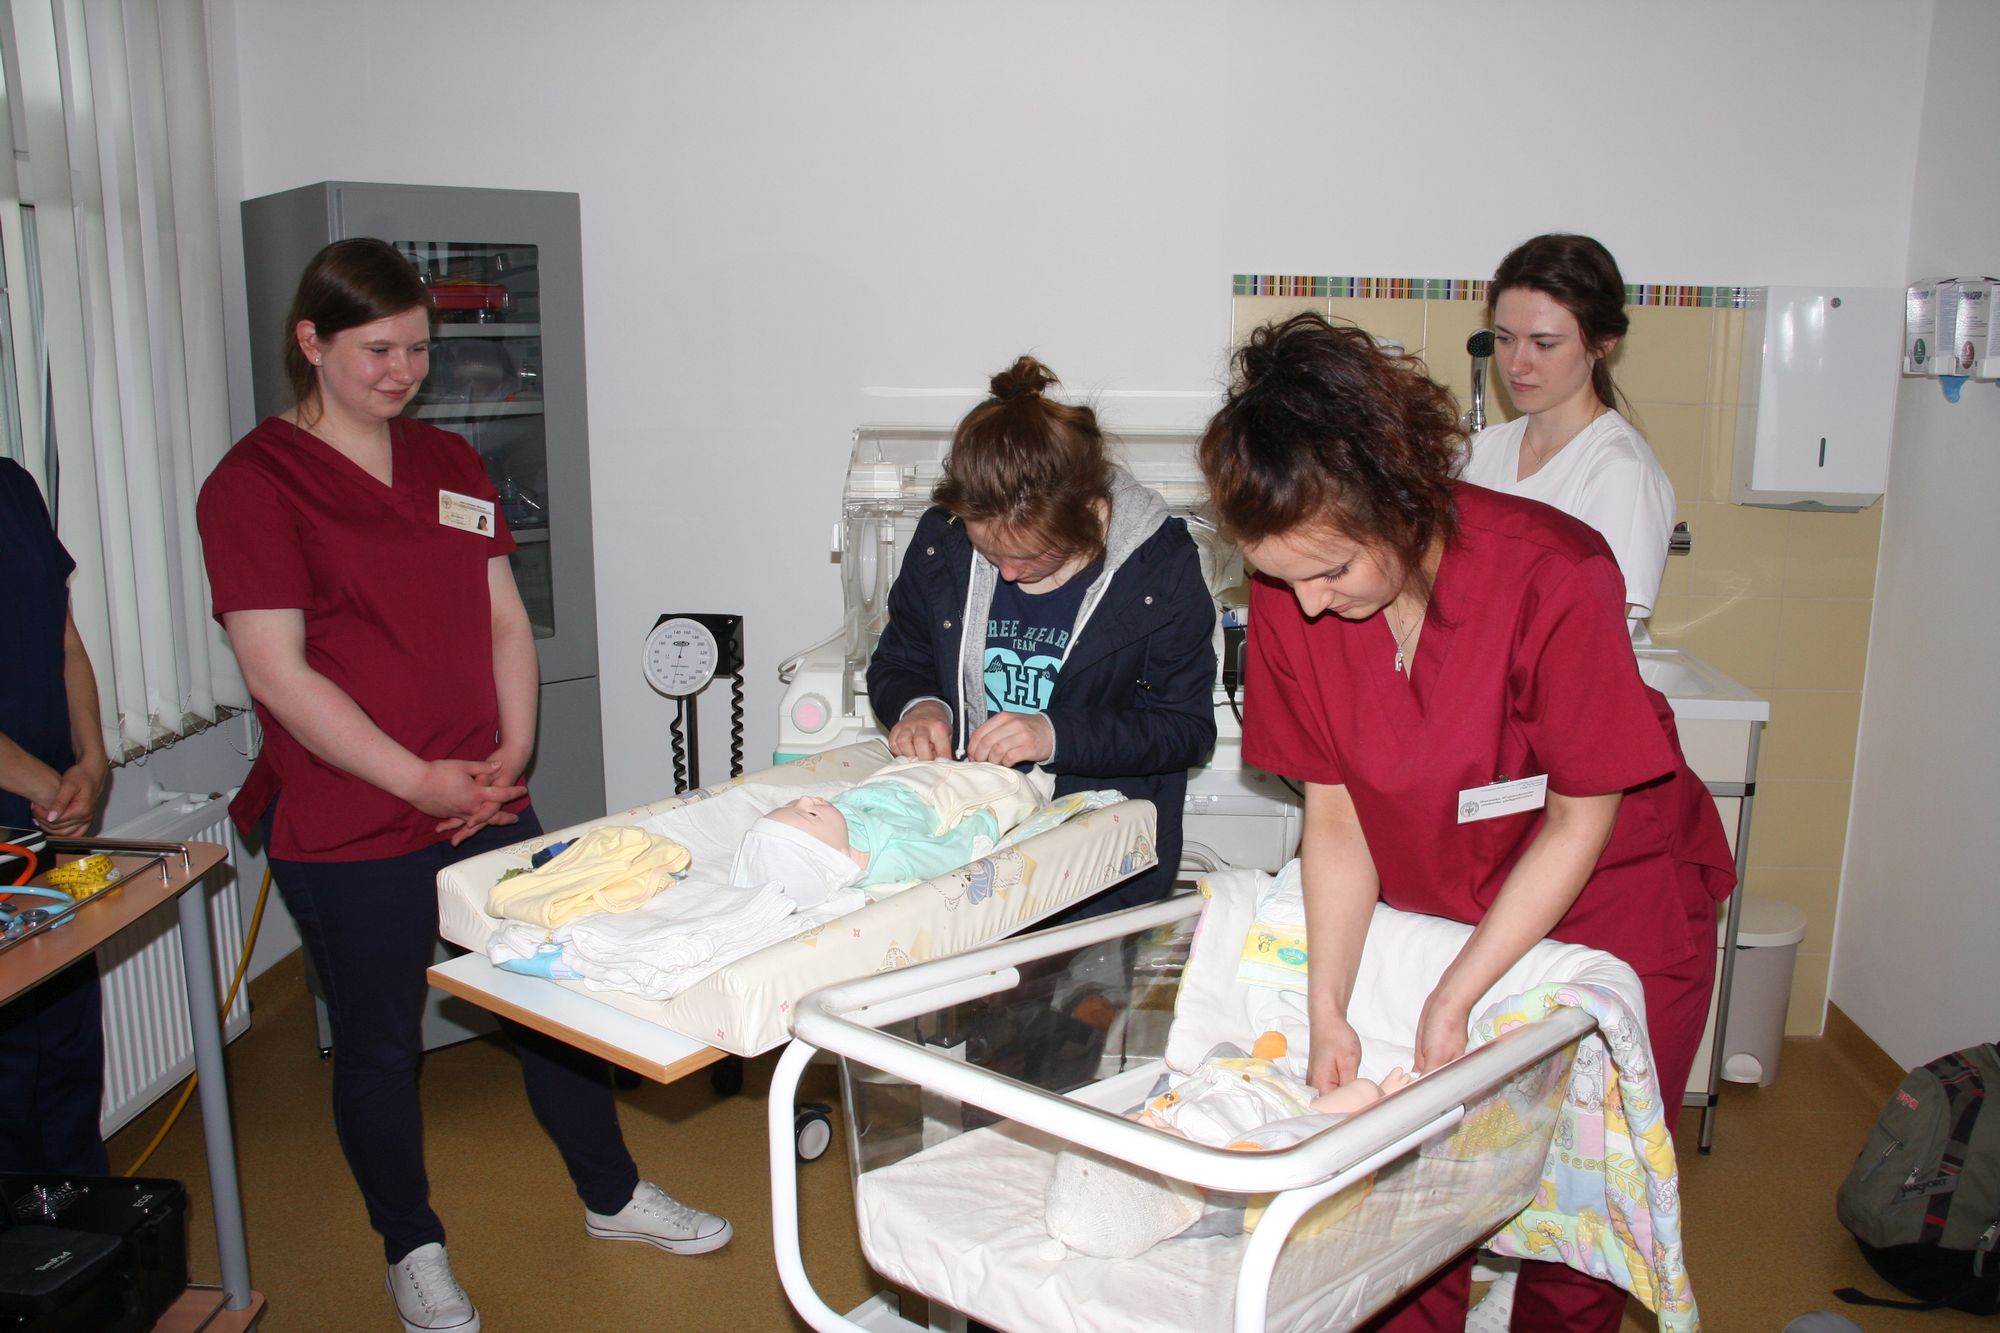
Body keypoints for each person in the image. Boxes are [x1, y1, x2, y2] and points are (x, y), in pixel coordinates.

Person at [196, 239, 727, 1333]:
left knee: (556, 1005)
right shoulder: (252, 486)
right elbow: (278, 674)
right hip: (352, 817)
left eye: (418, 349)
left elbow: (502, 618)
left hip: (484, 799)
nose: (404, 372)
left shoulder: (446, 462)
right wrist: (415, 778)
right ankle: (412, 1247)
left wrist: (510, 754)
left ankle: (613, 1194)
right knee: (381, 1044)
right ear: (311, 342)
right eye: (378, 350)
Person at [1198, 313, 1734, 1331]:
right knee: (1410, 1202)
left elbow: (1578, 816)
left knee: (1573, 1211)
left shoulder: (1551, 574)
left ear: (1395, 500)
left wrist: (1457, 995)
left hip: (1611, 907)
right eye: (1279, 578)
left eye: (1330, 571)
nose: (1303, 607)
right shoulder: (1295, 595)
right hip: (1442, 901)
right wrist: (1328, 1006)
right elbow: (1337, 815)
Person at [866, 355, 1217, 917]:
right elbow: (900, 661)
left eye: (1031, 556)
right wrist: (921, 706)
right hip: (968, 851)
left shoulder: (1159, 571)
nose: (1007, 574)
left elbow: (1185, 730)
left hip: (1098, 868)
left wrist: (1054, 734)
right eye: (990, 552)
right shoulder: (942, 542)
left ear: (1089, 514)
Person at [1458, 233, 1675, 624]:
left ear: (1604, 342)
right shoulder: (1479, 452)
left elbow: (1590, 631)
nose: (1516, 364)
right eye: (1505, 339)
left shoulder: (1620, 472)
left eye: (1544, 344)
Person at [0, 458, 111, 1177]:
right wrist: (48, 785)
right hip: (29, 807)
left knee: (67, 1044)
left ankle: (83, 1226)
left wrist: (91, 762)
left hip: (52, 826)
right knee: (9, 1070)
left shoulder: (13, 487)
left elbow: (63, 639)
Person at [731, 757, 1052, 906]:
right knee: (1009, 791)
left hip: (892, 779)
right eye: (810, 814)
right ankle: (1039, 787)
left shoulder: (834, 826)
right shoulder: (890, 855)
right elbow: (947, 854)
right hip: (928, 794)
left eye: (792, 804)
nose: (805, 799)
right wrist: (984, 822)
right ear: (839, 857)